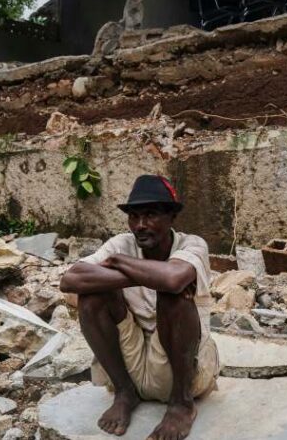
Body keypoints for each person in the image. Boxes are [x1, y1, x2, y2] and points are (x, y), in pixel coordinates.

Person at [60, 175, 219, 440]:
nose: (140, 225)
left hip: (181, 369)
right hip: (130, 366)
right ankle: (125, 394)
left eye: (151, 215)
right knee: (91, 296)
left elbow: (171, 279)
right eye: (134, 216)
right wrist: (146, 274)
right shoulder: (121, 243)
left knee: (174, 295)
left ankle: (181, 406)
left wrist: (119, 263)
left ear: (171, 217)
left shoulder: (193, 244)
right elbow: (70, 280)